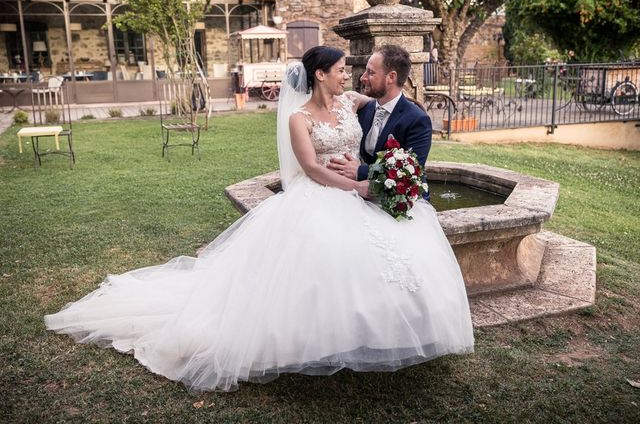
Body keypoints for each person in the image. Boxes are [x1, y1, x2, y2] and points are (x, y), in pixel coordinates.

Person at [45, 46, 473, 393]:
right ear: (320, 74)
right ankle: (304, 340)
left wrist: (365, 181)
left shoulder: (353, 104)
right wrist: (356, 187)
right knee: (323, 255)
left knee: (385, 257)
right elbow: (309, 168)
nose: (353, 75)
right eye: (343, 69)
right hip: (323, 195)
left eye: (360, 70)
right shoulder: (297, 117)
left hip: (358, 193)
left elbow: (387, 126)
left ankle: (380, 332)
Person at [327, 45, 431, 199]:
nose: (362, 78)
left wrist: (360, 171)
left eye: (370, 73)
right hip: (361, 194)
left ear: (391, 77)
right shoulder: (363, 108)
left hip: (400, 199)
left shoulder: (417, 120)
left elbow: (409, 172)